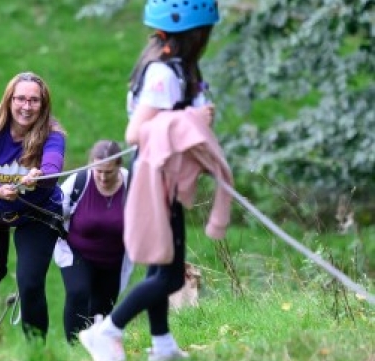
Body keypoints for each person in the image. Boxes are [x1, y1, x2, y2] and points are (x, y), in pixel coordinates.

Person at [78, 1, 230, 361]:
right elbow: (137, 132)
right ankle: (107, 331)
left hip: (164, 174)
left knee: (160, 263)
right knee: (170, 276)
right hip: (155, 178)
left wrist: (194, 115)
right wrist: (193, 118)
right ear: (195, 33)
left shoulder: (175, 67)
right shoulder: (163, 74)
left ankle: (162, 345)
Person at [0, 71, 67, 345]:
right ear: (9, 100)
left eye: (34, 101)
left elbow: (53, 166)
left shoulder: (52, 135)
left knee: (30, 284)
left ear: (43, 106)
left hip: (37, 215)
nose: (26, 106)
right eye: (21, 99)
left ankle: (36, 352)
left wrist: (40, 175)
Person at [53, 140, 132, 343]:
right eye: (99, 172)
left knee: (101, 310)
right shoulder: (78, 182)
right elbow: (54, 214)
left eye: (109, 172)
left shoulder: (131, 184)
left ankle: (96, 350)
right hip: (77, 253)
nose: (103, 177)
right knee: (78, 293)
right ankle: (73, 349)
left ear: (119, 166)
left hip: (114, 260)